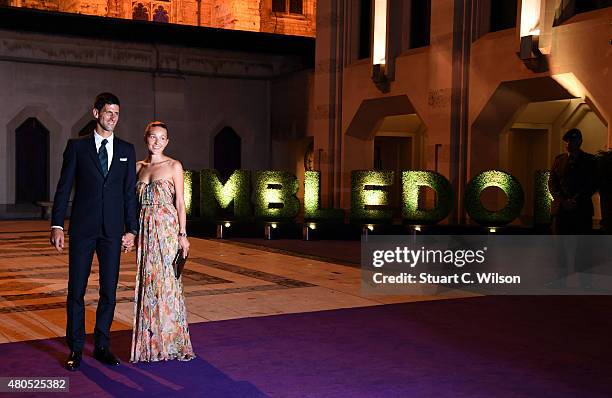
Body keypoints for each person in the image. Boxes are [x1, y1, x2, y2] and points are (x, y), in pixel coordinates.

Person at [50, 92, 138, 371]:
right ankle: (75, 348)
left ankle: (102, 345)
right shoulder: (77, 148)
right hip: (83, 230)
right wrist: (57, 225)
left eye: (117, 113)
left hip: (112, 232)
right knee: (76, 290)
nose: (113, 118)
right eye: (108, 112)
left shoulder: (126, 149)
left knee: (109, 291)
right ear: (96, 113)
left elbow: (128, 194)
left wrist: (131, 229)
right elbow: (64, 188)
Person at [130, 121, 195, 362]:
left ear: (167, 141)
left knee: (167, 284)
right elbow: (131, 203)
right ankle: (149, 341)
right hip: (145, 230)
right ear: (146, 138)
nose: (157, 141)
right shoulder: (138, 167)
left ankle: (170, 341)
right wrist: (131, 232)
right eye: (153, 137)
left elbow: (180, 202)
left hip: (167, 230)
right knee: (148, 283)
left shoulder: (174, 166)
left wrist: (183, 234)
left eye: (162, 138)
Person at [548, 128, 598, 234]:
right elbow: (552, 183)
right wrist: (563, 200)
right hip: (562, 209)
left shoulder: (589, 160)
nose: (569, 144)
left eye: (572, 141)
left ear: (580, 142)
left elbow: (592, 183)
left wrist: (575, 199)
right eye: (567, 141)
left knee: (582, 244)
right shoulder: (559, 160)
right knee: (560, 244)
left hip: (582, 209)